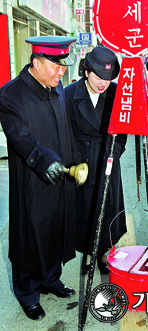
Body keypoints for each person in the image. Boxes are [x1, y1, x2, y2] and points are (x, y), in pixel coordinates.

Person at [0, 36, 81, 321]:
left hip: (60, 179)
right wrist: (43, 160)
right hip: (33, 181)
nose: (62, 72)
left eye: (63, 66)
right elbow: (20, 137)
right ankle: (27, 292)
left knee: (56, 229)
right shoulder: (11, 95)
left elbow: (66, 132)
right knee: (29, 235)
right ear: (36, 63)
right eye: (55, 66)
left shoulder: (56, 91)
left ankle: (50, 279)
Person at [64, 46, 127, 275]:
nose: (103, 83)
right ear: (86, 71)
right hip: (83, 162)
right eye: (99, 76)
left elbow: (122, 130)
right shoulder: (69, 94)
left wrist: (116, 150)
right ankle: (88, 252)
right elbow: (66, 132)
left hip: (109, 157)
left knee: (109, 206)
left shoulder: (116, 93)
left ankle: (104, 252)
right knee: (86, 209)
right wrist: (74, 162)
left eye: (108, 78)